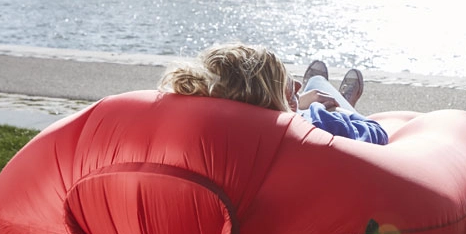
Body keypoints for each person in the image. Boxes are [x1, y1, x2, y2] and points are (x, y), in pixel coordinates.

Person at [159, 44, 388, 145]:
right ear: (268, 97)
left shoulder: (209, 133)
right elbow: (377, 132)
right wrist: (333, 110)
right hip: (336, 121)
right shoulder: (317, 122)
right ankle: (344, 101)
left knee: (312, 89)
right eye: (286, 82)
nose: (296, 84)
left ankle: (307, 96)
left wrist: (295, 103)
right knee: (318, 84)